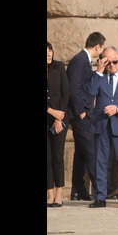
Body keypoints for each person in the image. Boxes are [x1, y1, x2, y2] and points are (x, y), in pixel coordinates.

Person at [87, 47, 118, 208]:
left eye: (115, 61)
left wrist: (117, 108)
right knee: (100, 162)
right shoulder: (99, 76)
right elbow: (90, 93)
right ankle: (100, 197)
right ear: (102, 61)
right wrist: (99, 71)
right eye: (108, 62)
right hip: (101, 124)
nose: (112, 65)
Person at [67, 31, 106, 201]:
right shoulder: (79, 60)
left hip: (84, 113)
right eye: (101, 48)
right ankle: (100, 191)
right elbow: (74, 88)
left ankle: (78, 189)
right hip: (81, 115)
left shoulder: (84, 60)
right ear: (97, 47)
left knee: (82, 153)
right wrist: (81, 111)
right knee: (90, 152)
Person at [47, 42, 70, 207]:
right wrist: (50, 111)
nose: (49, 54)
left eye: (50, 51)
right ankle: (50, 194)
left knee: (57, 157)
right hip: (49, 115)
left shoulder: (59, 67)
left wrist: (58, 118)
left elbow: (65, 93)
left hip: (59, 119)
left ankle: (59, 195)